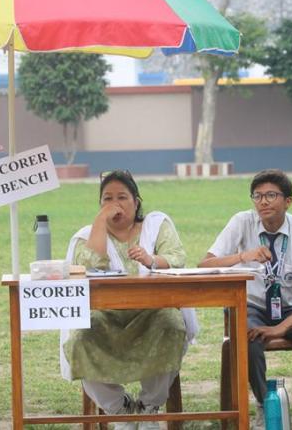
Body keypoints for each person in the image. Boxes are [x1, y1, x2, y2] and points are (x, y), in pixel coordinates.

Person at [198, 169, 292, 430]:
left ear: (288, 201)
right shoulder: (242, 222)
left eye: (271, 195)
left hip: (289, 310)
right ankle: (265, 404)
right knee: (247, 333)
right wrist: (243, 256)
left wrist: (280, 328)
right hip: (251, 306)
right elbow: (205, 264)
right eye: (257, 196)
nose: (263, 202)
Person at [60, 170, 196, 430]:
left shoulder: (156, 225)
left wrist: (151, 259)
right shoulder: (86, 235)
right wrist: (101, 221)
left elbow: (177, 257)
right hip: (105, 315)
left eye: (122, 197)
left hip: (153, 312)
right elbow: (88, 265)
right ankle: (120, 410)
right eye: (107, 199)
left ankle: (147, 408)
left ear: (136, 201)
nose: (115, 205)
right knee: (80, 339)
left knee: (172, 325)